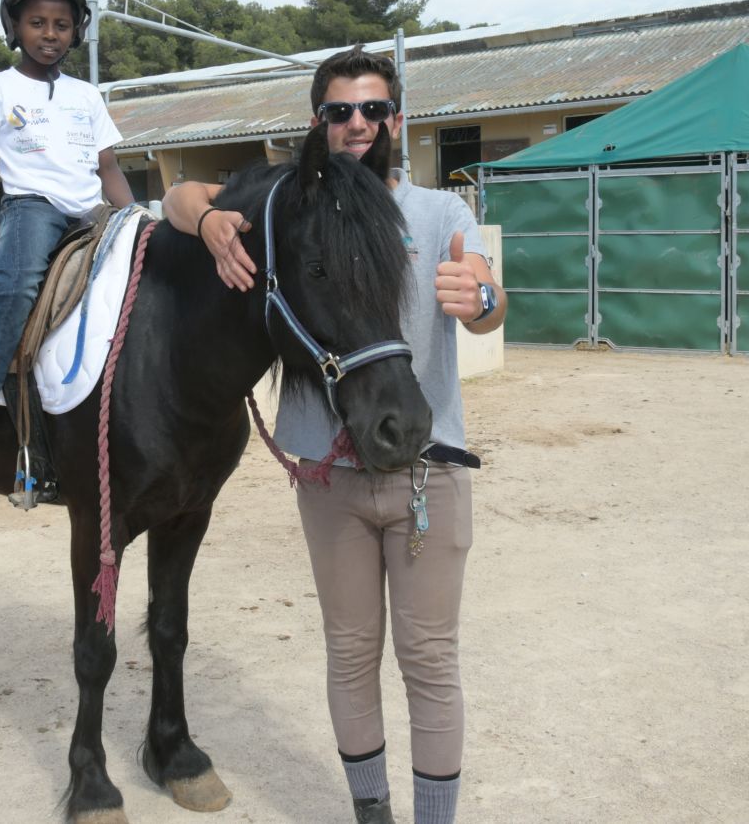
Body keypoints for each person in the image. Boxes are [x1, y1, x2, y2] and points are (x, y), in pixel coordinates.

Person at [164, 44, 506, 824]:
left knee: (429, 660)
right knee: (350, 654)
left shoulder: (438, 214)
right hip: (330, 478)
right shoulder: (288, 202)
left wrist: (480, 297)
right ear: (318, 121)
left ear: (396, 120)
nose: (359, 123)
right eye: (341, 111)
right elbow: (181, 194)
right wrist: (210, 221)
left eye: (374, 109)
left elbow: (488, 293)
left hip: (426, 472)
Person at [0, 0, 134, 502]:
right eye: (37, 23)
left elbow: (109, 169)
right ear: (14, 27)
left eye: (61, 25)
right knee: (18, 286)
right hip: (31, 209)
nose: (50, 34)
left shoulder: (86, 95)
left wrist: (139, 221)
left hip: (90, 211)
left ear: (77, 31)